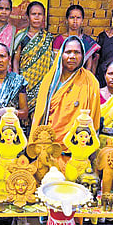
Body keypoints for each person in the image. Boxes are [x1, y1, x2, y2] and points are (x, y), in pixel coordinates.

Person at [30, 36, 100, 169]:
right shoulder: (49, 81)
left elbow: (94, 121)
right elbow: (39, 115)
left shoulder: (90, 82)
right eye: (68, 52)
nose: (72, 56)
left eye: (77, 52)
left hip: (77, 152)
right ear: (61, 54)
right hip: (49, 149)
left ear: (83, 55)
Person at [13, 1, 54, 113]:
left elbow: (51, 62)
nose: (36, 17)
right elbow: (16, 61)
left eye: (39, 14)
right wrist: (18, 81)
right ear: (28, 16)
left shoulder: (48, 38)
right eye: (33, 14)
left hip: (43, 83)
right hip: (24, 82)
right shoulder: (21, 36)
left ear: (43, 17)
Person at [0, 43, 28, 138]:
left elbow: (24, 113)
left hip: (11, 134)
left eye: (2, 56)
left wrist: (7, 112)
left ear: (9, 59)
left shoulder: (18, 81)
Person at [53, 5, 100, 71]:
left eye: (78, 18)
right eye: (72, 17)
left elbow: (89, 67)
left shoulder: (87, 41)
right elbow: (56, 64)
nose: (75, 21)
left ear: (82, 20)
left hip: (82, 78)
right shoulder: (59, 40)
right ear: (67, 20)